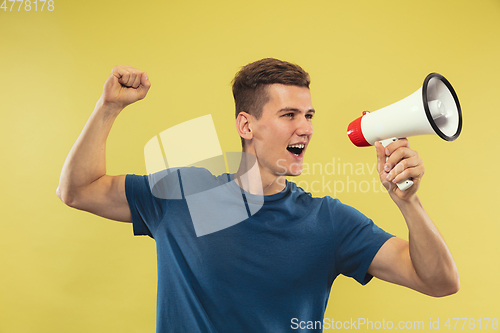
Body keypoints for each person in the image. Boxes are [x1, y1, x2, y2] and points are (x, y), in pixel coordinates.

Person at [57, 59, 459, 332]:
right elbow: (77, 190)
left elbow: (439, 281)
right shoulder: (180, 193)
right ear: (246, 125)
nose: (306, 128)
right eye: (289, 115)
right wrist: (108, 107)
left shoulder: (330, 222)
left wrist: (408, 203)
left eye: (309, 116)